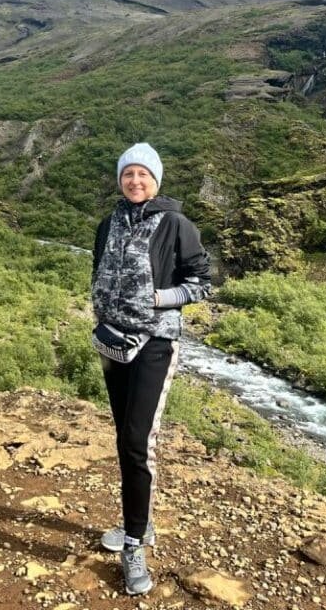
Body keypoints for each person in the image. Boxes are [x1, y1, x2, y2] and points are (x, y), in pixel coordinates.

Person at [90, 142, 212, 595]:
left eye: (144, 175)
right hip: (114, 340)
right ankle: (137, 523)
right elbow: (99, 272)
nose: (135, 181)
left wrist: (156, 298)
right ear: (120, 180)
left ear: (156, 181)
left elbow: (201, 285)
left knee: (138, 442)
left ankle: (135, 543)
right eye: (128, 175)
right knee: (124, 437)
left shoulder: (176, 225)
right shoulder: (109, 225)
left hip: (156, 343)